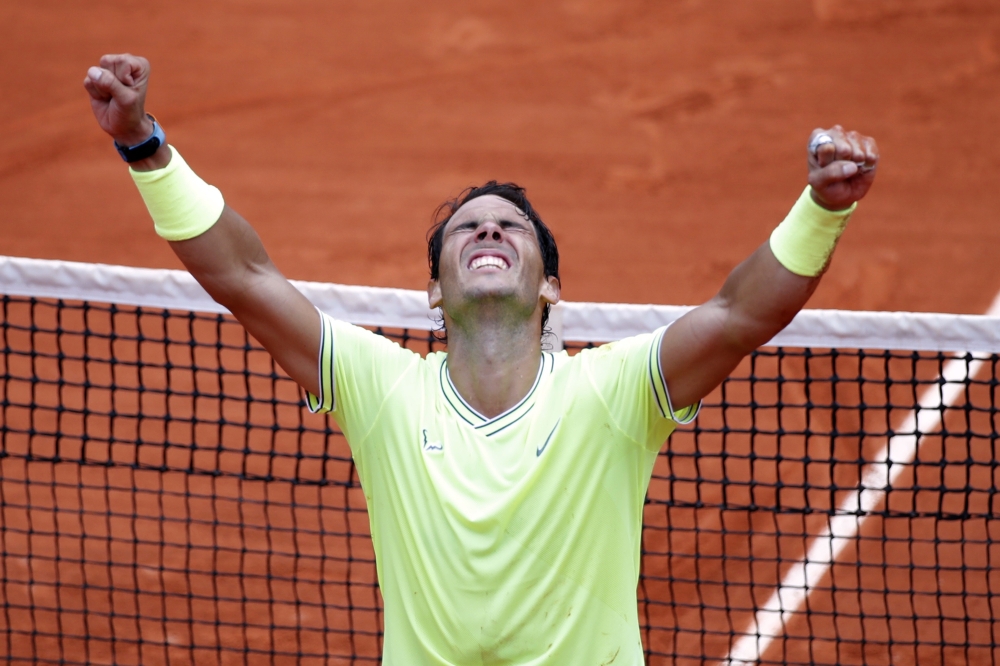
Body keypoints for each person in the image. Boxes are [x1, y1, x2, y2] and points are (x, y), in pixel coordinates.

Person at [83, 53, 878, 665]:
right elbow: (245, 278)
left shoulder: (612, 393)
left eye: (511, 228)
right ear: (435, 291)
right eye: (467, 228)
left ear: (551, 288)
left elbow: (741, 315)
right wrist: (143, 145)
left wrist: (821, 210)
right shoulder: (382, 389)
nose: (489, 230)